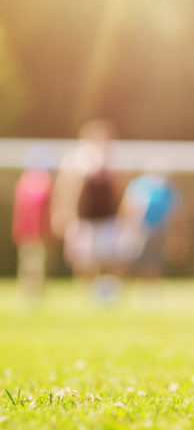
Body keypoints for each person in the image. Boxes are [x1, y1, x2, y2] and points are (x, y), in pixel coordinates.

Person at [51, 119, 124, 300]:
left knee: (109, 259)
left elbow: (121, 189)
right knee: (83, 260)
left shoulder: (114, 160)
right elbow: (65, 188)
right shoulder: (75, 160)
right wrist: (62, 213)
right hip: (83, 220)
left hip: (108, 219)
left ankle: (106, 296)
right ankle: (85, 296)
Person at [115, 171, 189, 280]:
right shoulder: (138, 187)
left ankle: (150, 288)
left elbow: (176, 214)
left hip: (158, 230)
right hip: (138, 230)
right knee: (129, 259)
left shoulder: (168, 191)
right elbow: (126, 208)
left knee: (153, 261)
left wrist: (178, 236)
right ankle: (121, 284)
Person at [12, 149, 54, 298]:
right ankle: (27, 291)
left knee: (38, 263)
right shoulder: (26, 184)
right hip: (28, 233)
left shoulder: (46, 184)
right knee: (28, 263)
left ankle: (37, 292)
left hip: (40, 233)